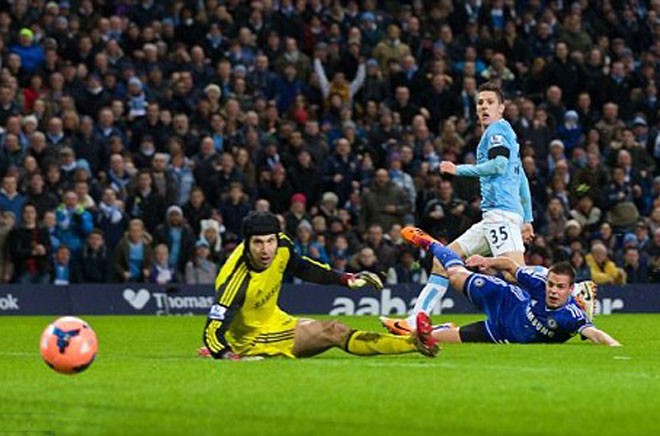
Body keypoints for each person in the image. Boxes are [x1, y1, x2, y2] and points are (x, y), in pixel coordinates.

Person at [382, 81, 535, 335]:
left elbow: (498, 166)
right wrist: (527, 218)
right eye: (480, 102)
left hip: (500, 214)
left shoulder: (496, 131)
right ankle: (415, 320)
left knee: (516, 274)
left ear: (502, 108)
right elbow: (521, 179)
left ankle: (571, 297)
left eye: (490, 102)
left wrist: (458, 169)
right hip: (496, 216)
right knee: (443, 258)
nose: (484, 107)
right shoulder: (508, 134)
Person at [200, 211, 437, 360]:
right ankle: (413, 343)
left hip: (277, 320)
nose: (266, 250)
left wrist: (345, 279)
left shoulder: (282, 245)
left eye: (270, 241)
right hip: (256, 338)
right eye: (258, 243)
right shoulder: (235, 281)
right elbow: (212, 330)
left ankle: (414, 342)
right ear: (246, 243)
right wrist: (225, 353)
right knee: (334, 331)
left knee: (334, 331)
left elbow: (304, 268)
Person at [401, 226, 620, 346]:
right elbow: (509, 265)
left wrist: (617, 349)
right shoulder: (538, 283)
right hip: (505, 300)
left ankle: (435, 329)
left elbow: (596, 334)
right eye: (551, 285)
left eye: (560, 287)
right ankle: (429, 243)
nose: (552, 290)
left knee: (432, 338)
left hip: (499, 334)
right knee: (456, 275)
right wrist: (487, 261)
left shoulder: (571, 315)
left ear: (571, 290)